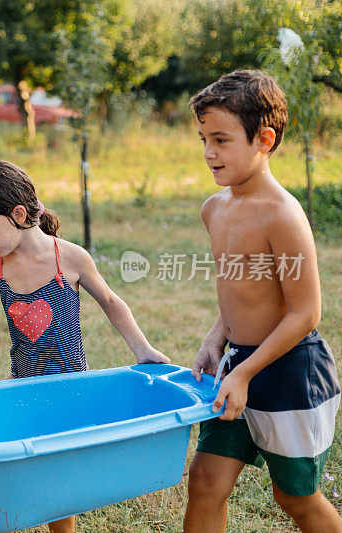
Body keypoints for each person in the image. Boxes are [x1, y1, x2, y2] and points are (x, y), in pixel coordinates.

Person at [0, 160, 170, 533]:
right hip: (24, 384)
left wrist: (142, 350)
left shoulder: (69, 257)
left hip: (71, 386)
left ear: (18, 214)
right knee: (24, 466)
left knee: (59, 479)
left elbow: (112, 304)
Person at [184, 70, 342, 533]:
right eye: (203, 139)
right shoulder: (214, 209)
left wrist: (248, 373)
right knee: (206, 482)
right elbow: (239, 287)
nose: (209, 153)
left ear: (264, 139)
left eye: (221, 139)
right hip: (236, 365)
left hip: (291, 369)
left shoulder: (282, 215)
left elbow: (305, 312)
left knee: (295, 498)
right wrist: (218, 338)